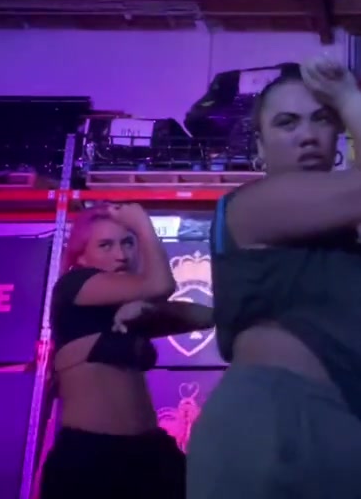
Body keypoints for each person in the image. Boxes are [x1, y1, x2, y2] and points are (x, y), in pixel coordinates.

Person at [187, 57, 361, 499]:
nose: (307, 135)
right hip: (282, 427)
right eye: (287, 123)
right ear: (260, 145)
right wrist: (348, 96)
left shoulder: (356, 206)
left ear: (337, 133)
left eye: (321, 118)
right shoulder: (251, 204)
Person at [39, 203, 215, 499]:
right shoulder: (73, 286)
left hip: (150, 454)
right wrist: (142, 224)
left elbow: (206, 316)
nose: (121, 255)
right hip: (92, 461)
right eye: (105, 245)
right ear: (81, 255)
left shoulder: (128, 307)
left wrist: (148, 309)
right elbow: (160, 284)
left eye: (128, 243)